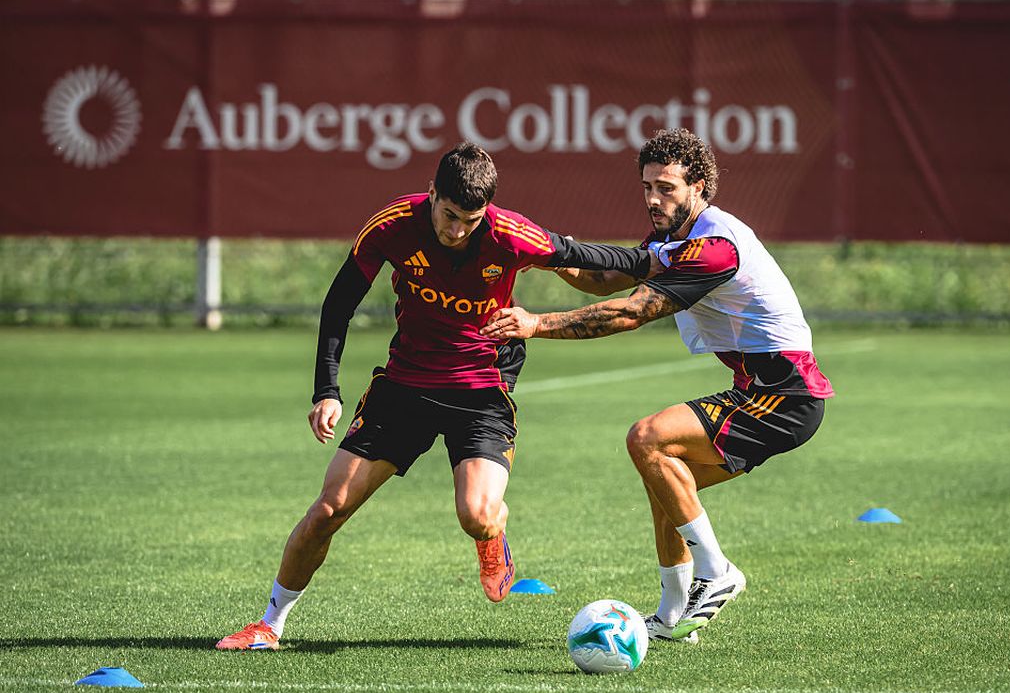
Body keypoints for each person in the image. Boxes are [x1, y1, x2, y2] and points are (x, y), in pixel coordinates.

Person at [217, 142, 655, 650]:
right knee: (328, 510)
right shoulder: (391, 225)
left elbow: (584, 256)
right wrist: (327, 390)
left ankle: (493, 539)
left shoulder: (509, 234)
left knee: (477, 515)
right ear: (432, 195)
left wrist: (656, 260)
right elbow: (339, 304)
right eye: (449, 216)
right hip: (405, 385)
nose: (457, 230)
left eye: (470, 220)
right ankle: (270, 625)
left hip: (480, 390)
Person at [480, 128, 834, 643]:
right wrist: (538, 250)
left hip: (784, 395)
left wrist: (538, 323)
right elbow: (605, 280)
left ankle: (717, 573)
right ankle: (672, 617)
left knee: (647, 438)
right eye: (647, 185)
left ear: (700, 187)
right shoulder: (672, 237)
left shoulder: (713, 247)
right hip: (766, 390)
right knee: (666, 481)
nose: (653, 198)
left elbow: (631, 311)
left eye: (666, 187)